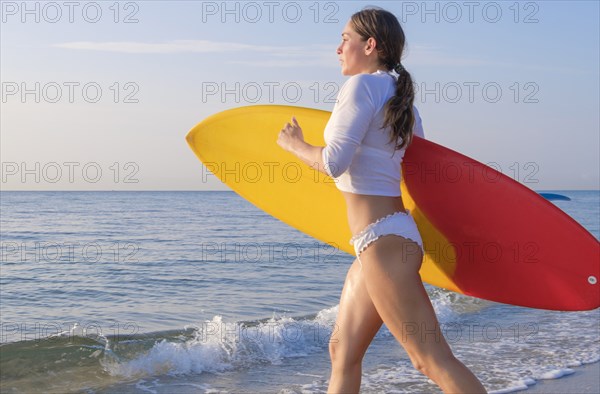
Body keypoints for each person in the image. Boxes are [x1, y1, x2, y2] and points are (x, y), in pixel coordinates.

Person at [276, 7, 487, 394]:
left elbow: (335, 161)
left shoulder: (360, 87)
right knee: (342, 351)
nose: (338, 48)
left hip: (383, 244)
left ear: (370, 45)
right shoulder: (402, 99)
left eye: (345, 39)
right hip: (389, 238)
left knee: (430, 359)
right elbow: (420, 175)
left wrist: (296, 145)